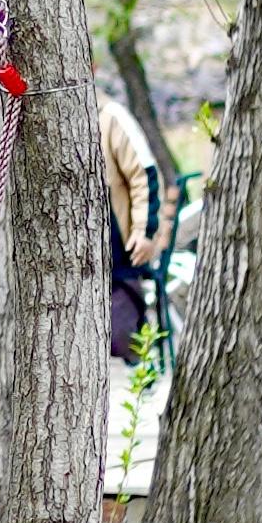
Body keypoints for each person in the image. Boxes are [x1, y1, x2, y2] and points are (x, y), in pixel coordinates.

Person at [98, 88, 156, 367]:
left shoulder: (111, 117)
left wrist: (143, 230)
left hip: (116, 247)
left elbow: (144, 173)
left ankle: (144, 371)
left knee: (123, 333)